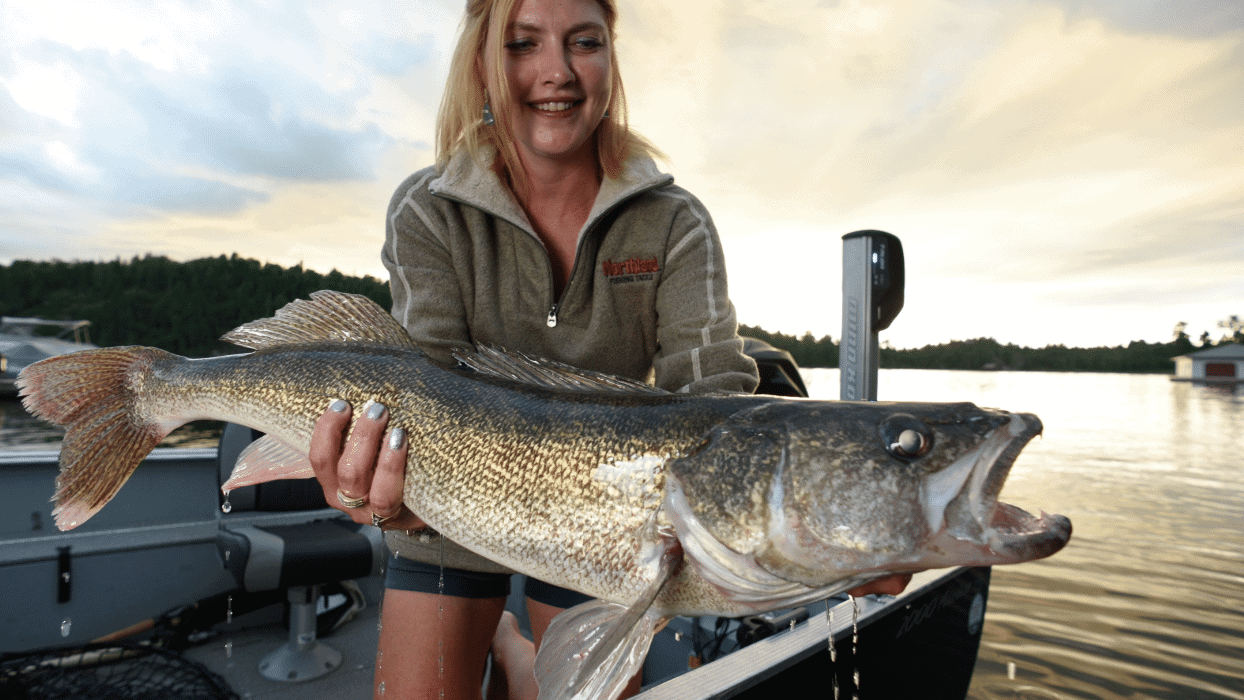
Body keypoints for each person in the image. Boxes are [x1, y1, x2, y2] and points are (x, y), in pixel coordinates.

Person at [308, 0, 908, 698]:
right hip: (447, 508)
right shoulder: (427, 208)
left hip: (607, 529)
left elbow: (716, 402)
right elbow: (424, 378)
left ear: (610, 56)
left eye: (583, 42)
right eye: (523, 43)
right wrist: (380, 492)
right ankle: (510, 638)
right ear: (481, 63)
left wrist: (813, 546)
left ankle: (515, 651)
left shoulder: (674, 220)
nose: (556, 72)